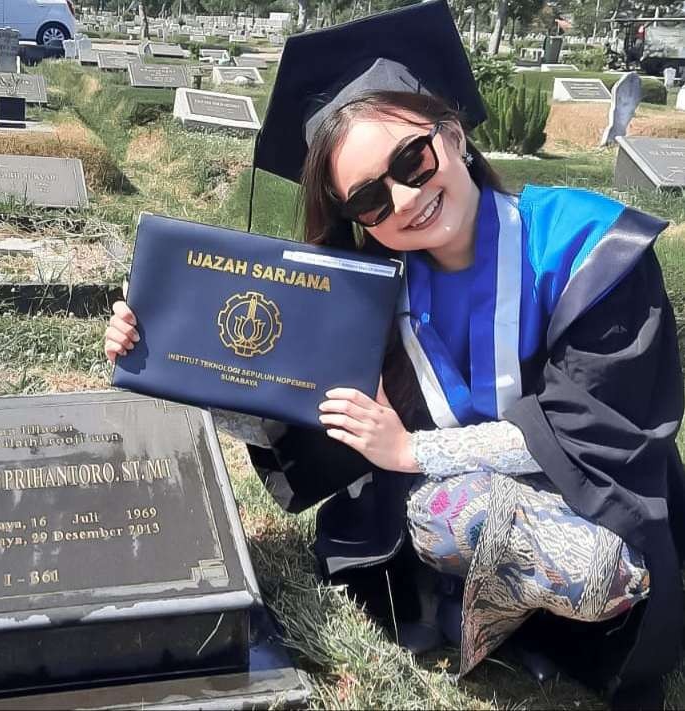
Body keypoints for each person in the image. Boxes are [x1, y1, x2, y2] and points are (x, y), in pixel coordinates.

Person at [105, 2, 685, 706]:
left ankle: (523, 621)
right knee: (453, 512)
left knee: (594, 566)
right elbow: (295, 412)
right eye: (371, 200)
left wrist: (411, 451)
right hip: (454, 510)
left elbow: (597, 432)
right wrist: (167, 356)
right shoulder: (370, 299)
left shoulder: (583, 248)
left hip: (586, 498)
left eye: (413, 159)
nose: (407, 199)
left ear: (452, 131)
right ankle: (489, 614)